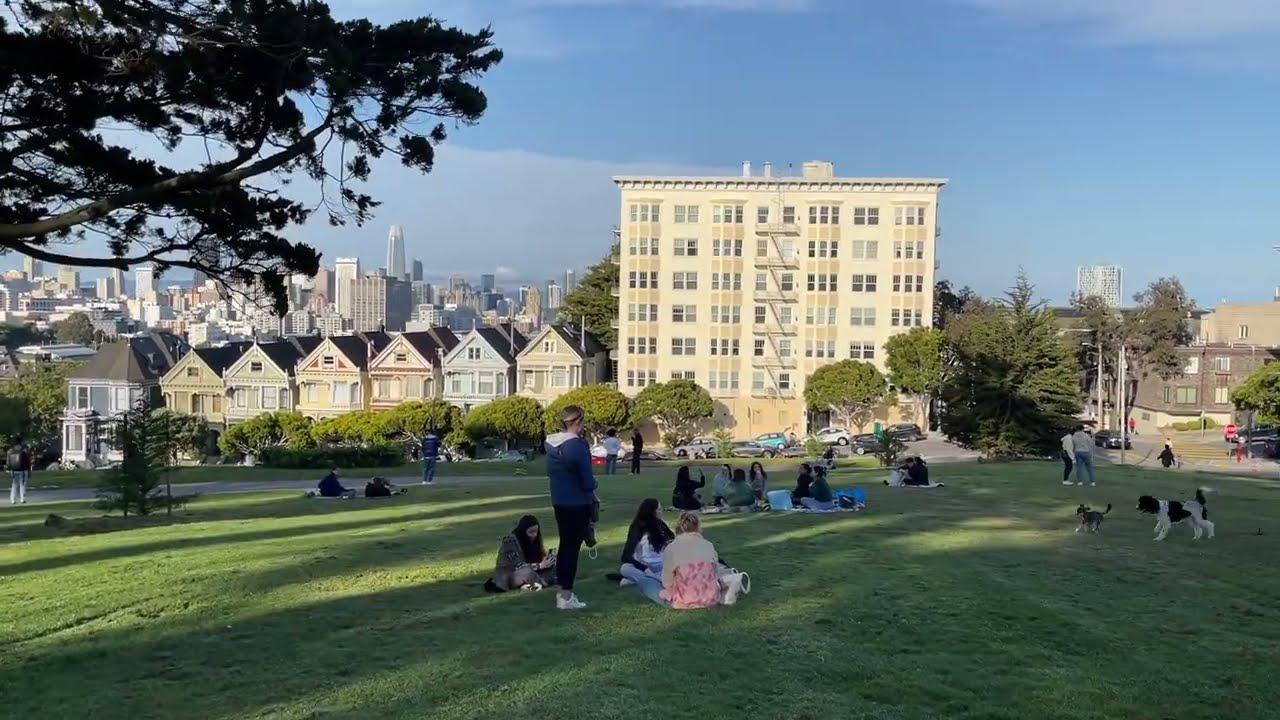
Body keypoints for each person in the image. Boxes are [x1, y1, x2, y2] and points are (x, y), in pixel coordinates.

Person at [546, 404, 599, 610]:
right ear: (578, 422)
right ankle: (565, 596)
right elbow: (587, 481)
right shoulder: (576, 446)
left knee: (565, 545)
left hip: (560, 500)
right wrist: (594, 484)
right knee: (571, 549)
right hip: (576, 501)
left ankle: (563, 592)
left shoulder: (552, 444)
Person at [660, 512, 749, 609]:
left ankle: (731, 581)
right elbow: (714, 570)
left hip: (684, 600)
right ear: (698, 527)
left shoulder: (671, 548)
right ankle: (731, 581)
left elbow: (667, 580)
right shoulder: (708, 545)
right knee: (717, 574)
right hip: (710, 597)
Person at [617, 498, 675, 604]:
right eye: (659, 509)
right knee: (625, 568)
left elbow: (673, 539)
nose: (662, 512)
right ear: (652, 512)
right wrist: (644, 568)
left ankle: (636, 579)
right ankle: (655, 582)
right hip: (644, 566)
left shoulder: (660, 525)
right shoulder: (637, 528)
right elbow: (627, 555)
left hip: (662, 565)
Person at [485, 515, 558, 592]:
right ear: (523, 530)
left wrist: (546, 560)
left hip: (531, 570)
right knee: (527, 572)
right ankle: (538, 583)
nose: (534, 535)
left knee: (556, 561)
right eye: (531, 532)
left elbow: (538, 557)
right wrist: (540, 565)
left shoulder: (535, 541)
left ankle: (532, 584)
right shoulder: (510, 541)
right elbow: (517, 566)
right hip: (511, 575)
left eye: (536, 531)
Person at [7, 436, 30, 505]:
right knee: (22, 484)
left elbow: (8, 461)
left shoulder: (11, 450)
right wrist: (29, 470)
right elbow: (27, 460)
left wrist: (9, 468)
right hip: (23, 469)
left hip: (14, 470)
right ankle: (22, 499)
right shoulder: (24, 450)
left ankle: (13, 499)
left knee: (14, 484)